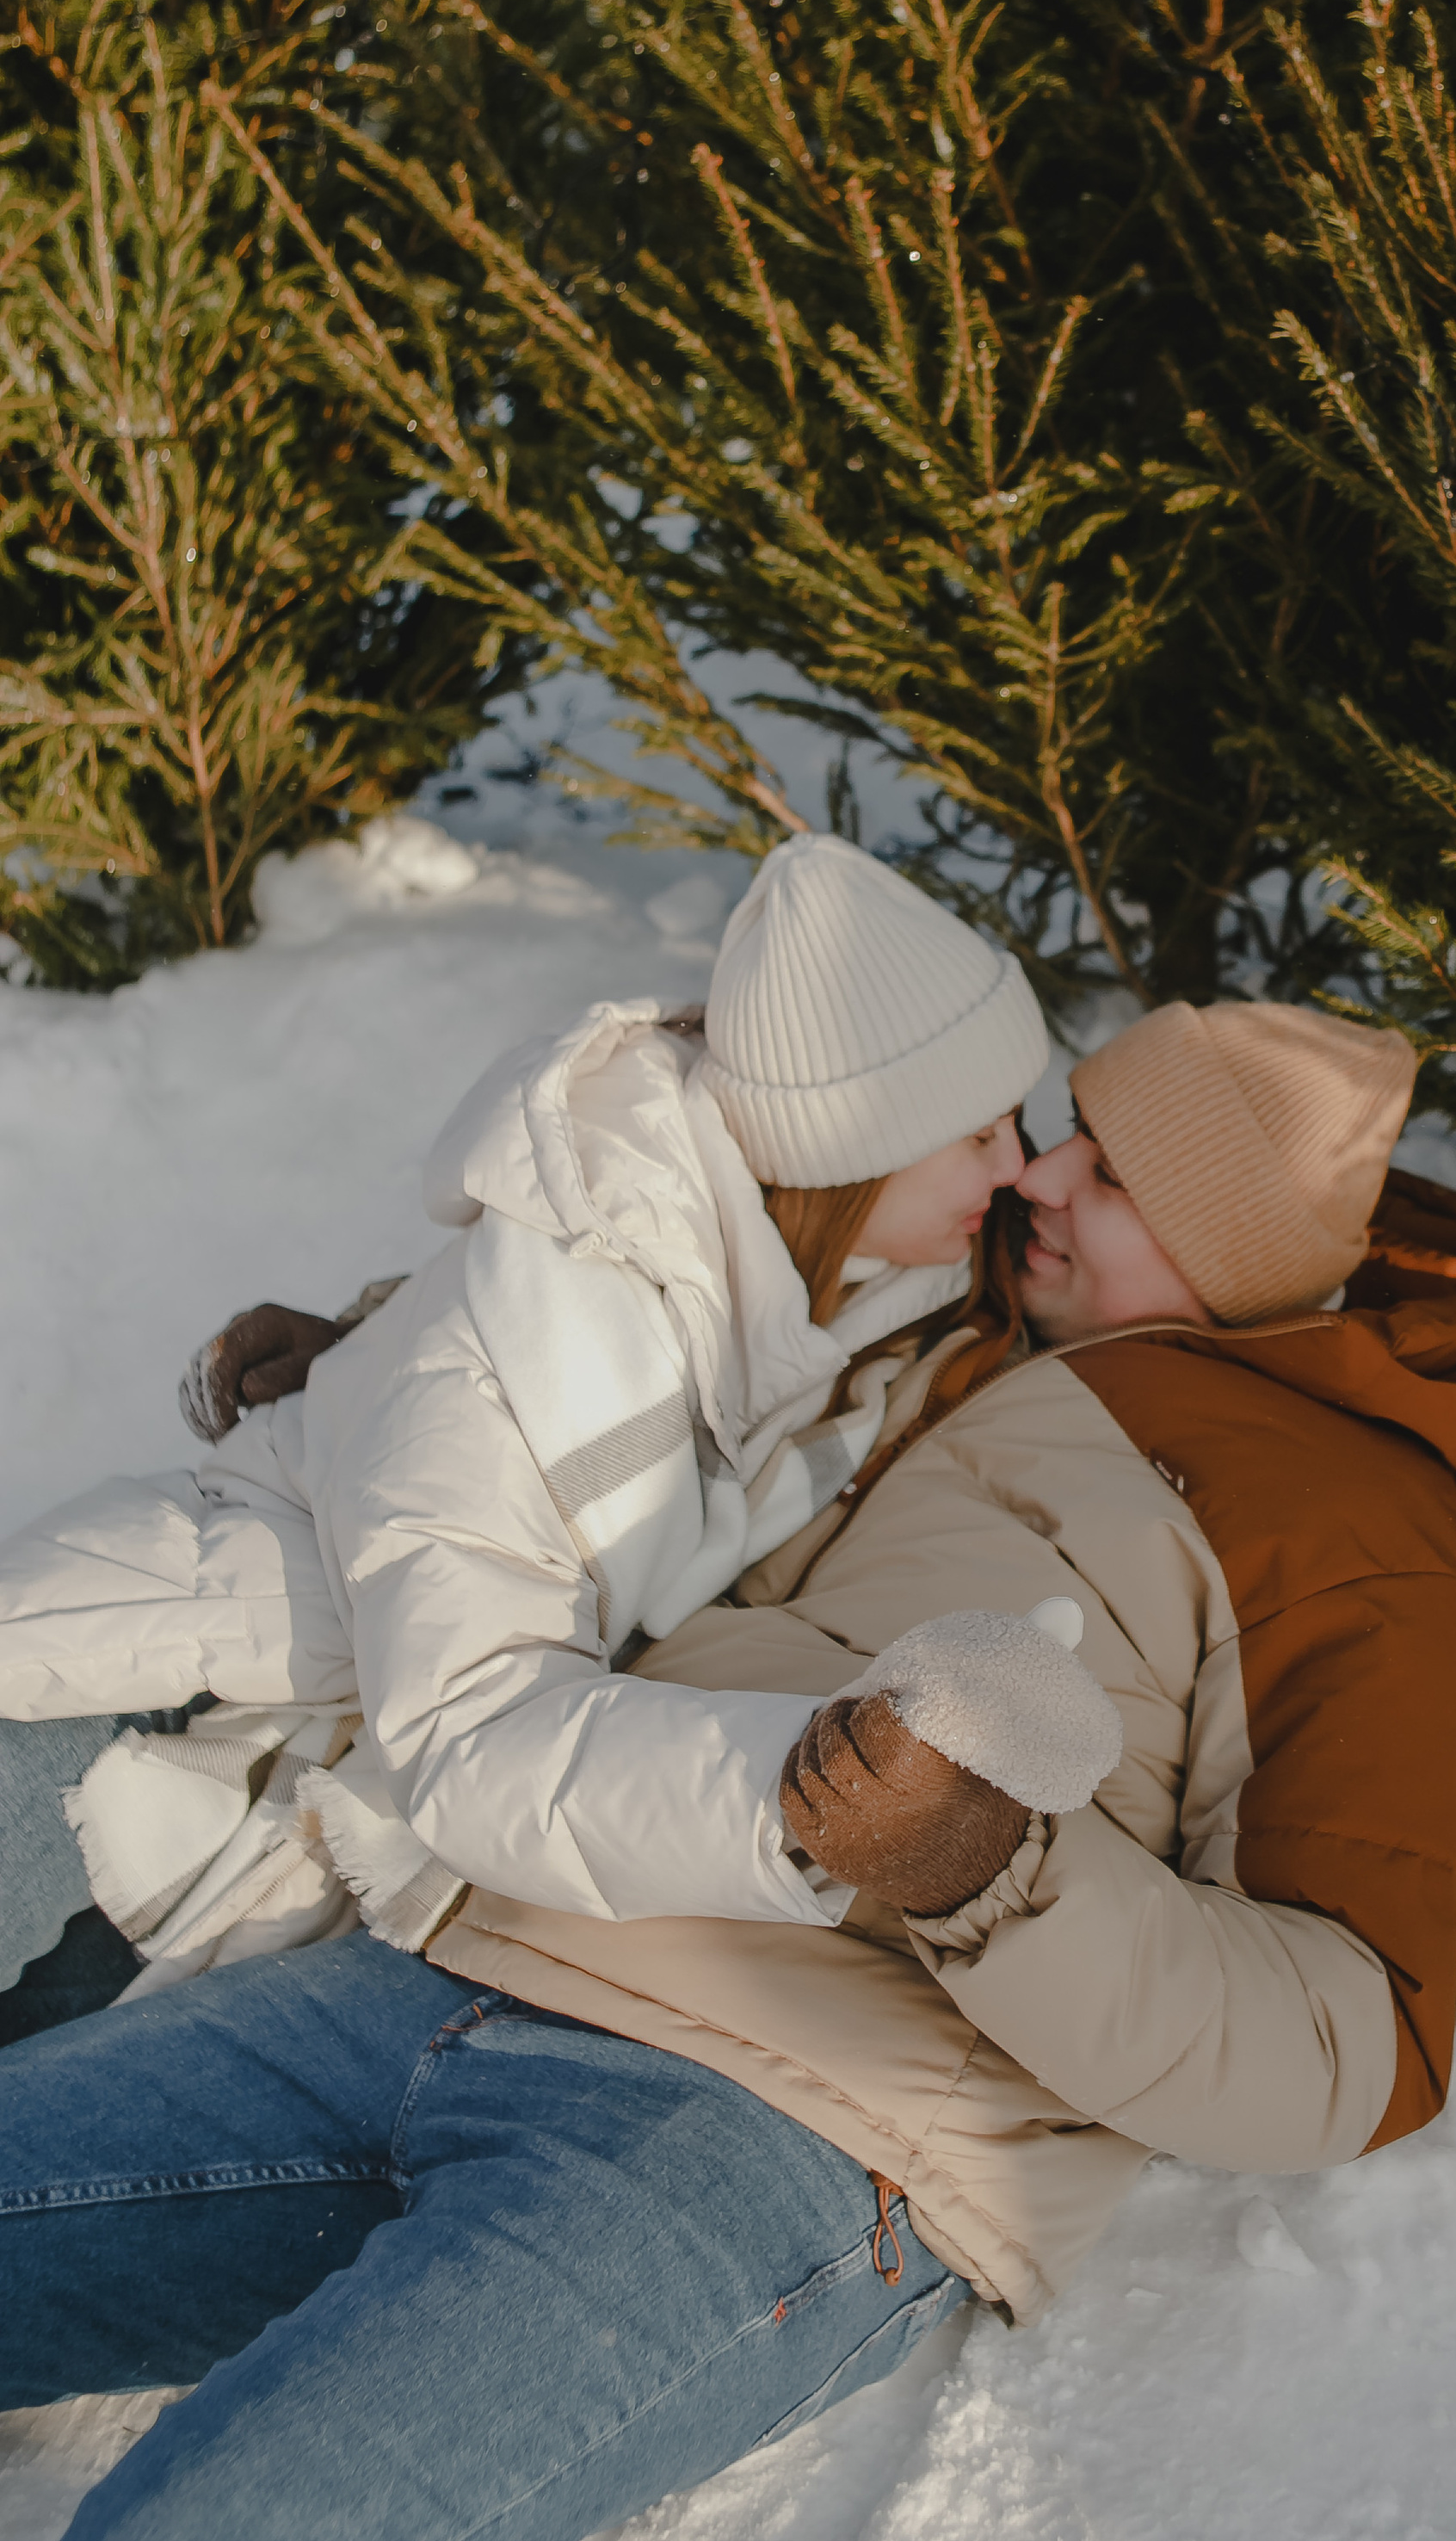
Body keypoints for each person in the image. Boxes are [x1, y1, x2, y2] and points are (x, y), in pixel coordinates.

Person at [0, 993, 1456, 2541]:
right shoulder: (944, 1328)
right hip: (462, 1949)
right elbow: (642, 1361)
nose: (1036, 1174)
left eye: (1108, 1175)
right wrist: (380, 1383)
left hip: (776, 2136)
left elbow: (1351, 2039)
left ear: (1218, 1244)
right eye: (1064, 1130)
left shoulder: (1375, 1536)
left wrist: (986, 1867)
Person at [0, 831, 1046, 2022]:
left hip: (282, 1791)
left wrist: (364, 1325)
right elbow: (478, 1714)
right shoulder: (553, 1325)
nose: (1020, 1167)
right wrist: (810, 1792)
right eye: (979, 1133)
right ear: (851, 1150)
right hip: (134, 1712)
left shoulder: (847, 1304)